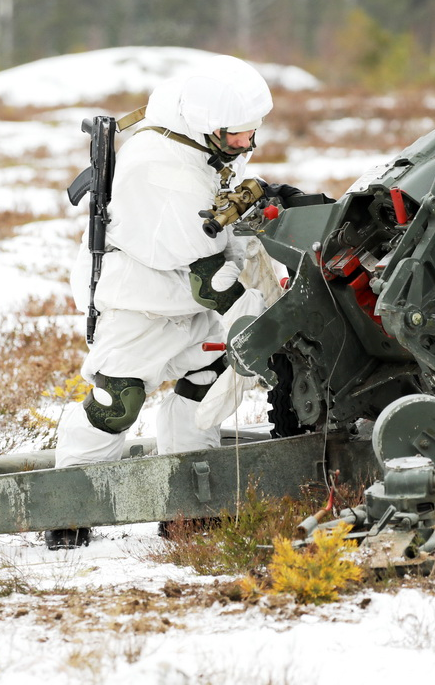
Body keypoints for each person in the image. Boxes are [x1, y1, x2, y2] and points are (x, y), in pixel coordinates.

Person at [47, 54, 275, 550]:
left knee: (206, 382)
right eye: (237, 133)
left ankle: (188, 505)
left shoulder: (202, 142)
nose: (247, 143)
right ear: (206, 124)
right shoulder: (161, 168)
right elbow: (209, 277)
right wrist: (255, 323)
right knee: (117, 401)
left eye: (251, 131)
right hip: (141, 306)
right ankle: (67, 501)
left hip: (191, 308)